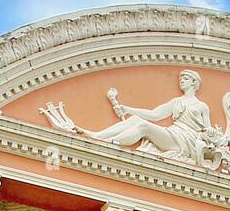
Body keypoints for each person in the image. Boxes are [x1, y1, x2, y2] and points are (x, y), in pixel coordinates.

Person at [77, 70, 213, 166]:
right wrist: (128, 109)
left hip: (185, 142)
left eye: (186, 79)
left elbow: (209, 132)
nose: (182, 81)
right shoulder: (176, 102)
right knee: (136, 120)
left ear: (194, 82)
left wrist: (211, 135)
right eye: (181, 79)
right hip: (173, 134)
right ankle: (97, 136)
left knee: (143, 126)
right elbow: (155, 114)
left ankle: (109, 142)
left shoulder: (201, 106)